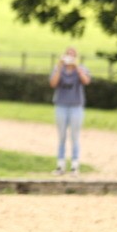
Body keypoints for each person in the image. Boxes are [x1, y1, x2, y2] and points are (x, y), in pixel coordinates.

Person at [49, 46, 91, 175]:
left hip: (76, 107)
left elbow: (86, 81)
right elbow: (53, 83)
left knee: (75, 136)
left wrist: (76, 67)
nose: (70, 58)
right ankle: (60, 165)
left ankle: (74, 165)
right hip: (61, 106)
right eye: (68, 55)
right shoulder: (58, 69)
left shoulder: (81, 69)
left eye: (72, 55)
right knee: (61, 136)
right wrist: (60, 66)